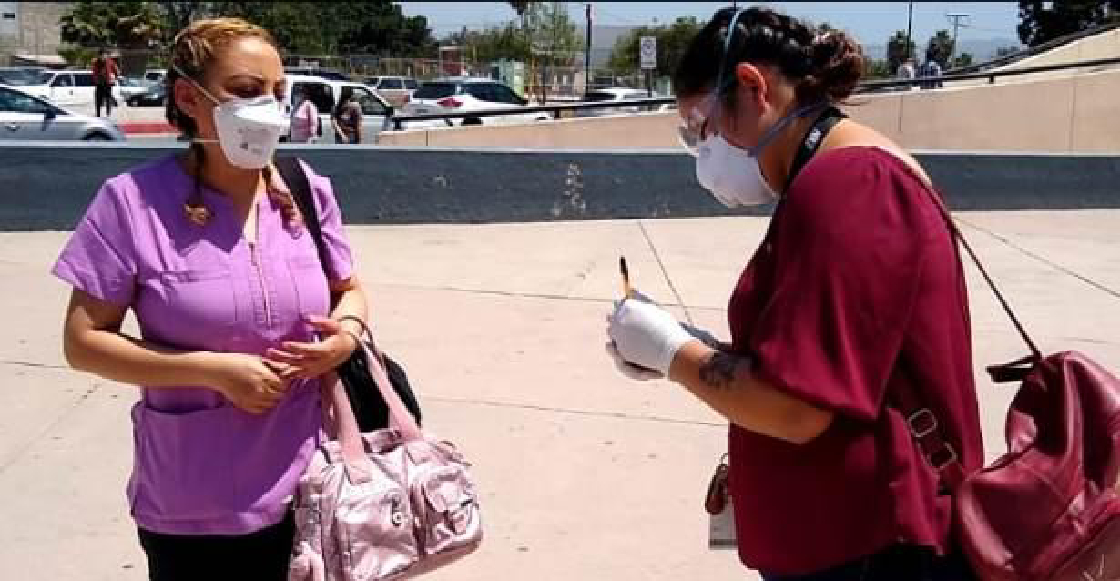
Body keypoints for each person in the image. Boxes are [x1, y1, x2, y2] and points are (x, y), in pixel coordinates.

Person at [606, 7, 982, 581]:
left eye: (702, 128)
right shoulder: (834, 179)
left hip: (870, 551)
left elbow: (797, 408)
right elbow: (818, 356)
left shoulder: (850, 186)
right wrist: (697, 347)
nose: (703, 153)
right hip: (848, 543)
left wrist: (670, 353)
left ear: (753, 86)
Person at [53, 18, 368, 580]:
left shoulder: (305, 191)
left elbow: (349, 290)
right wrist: (213, 371)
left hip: (316, 488)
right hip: (195, 507)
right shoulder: (132, 204)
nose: (267, 108)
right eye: (246, 92)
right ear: (187, 98)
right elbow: (84, 343)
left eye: (276, 93)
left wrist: (345, 336)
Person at [92, 48, 120, 117]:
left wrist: (114, 78)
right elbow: (94, 72)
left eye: (105, 55)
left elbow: (117, 71)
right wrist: (96, 79)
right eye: (101, 55)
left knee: (108, 98)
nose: (103, 57)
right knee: (98, 99)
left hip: (108, 83)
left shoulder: (110, 62)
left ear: (106, 55)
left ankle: (108, 114)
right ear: (99, 55)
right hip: (99, 83)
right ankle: (98, 114)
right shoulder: (96, 62)